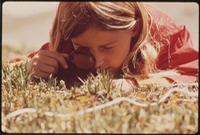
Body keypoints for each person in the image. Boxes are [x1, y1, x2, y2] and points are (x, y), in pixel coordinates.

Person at [8, 2, 199, 90]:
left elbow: (193, 73)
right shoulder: (69, 38)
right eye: (83, 49)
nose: (97, 62)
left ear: (135, 29)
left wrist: (137, 84)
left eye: (107, 47)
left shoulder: (165, 35)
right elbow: (14, 65)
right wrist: (30, 66)